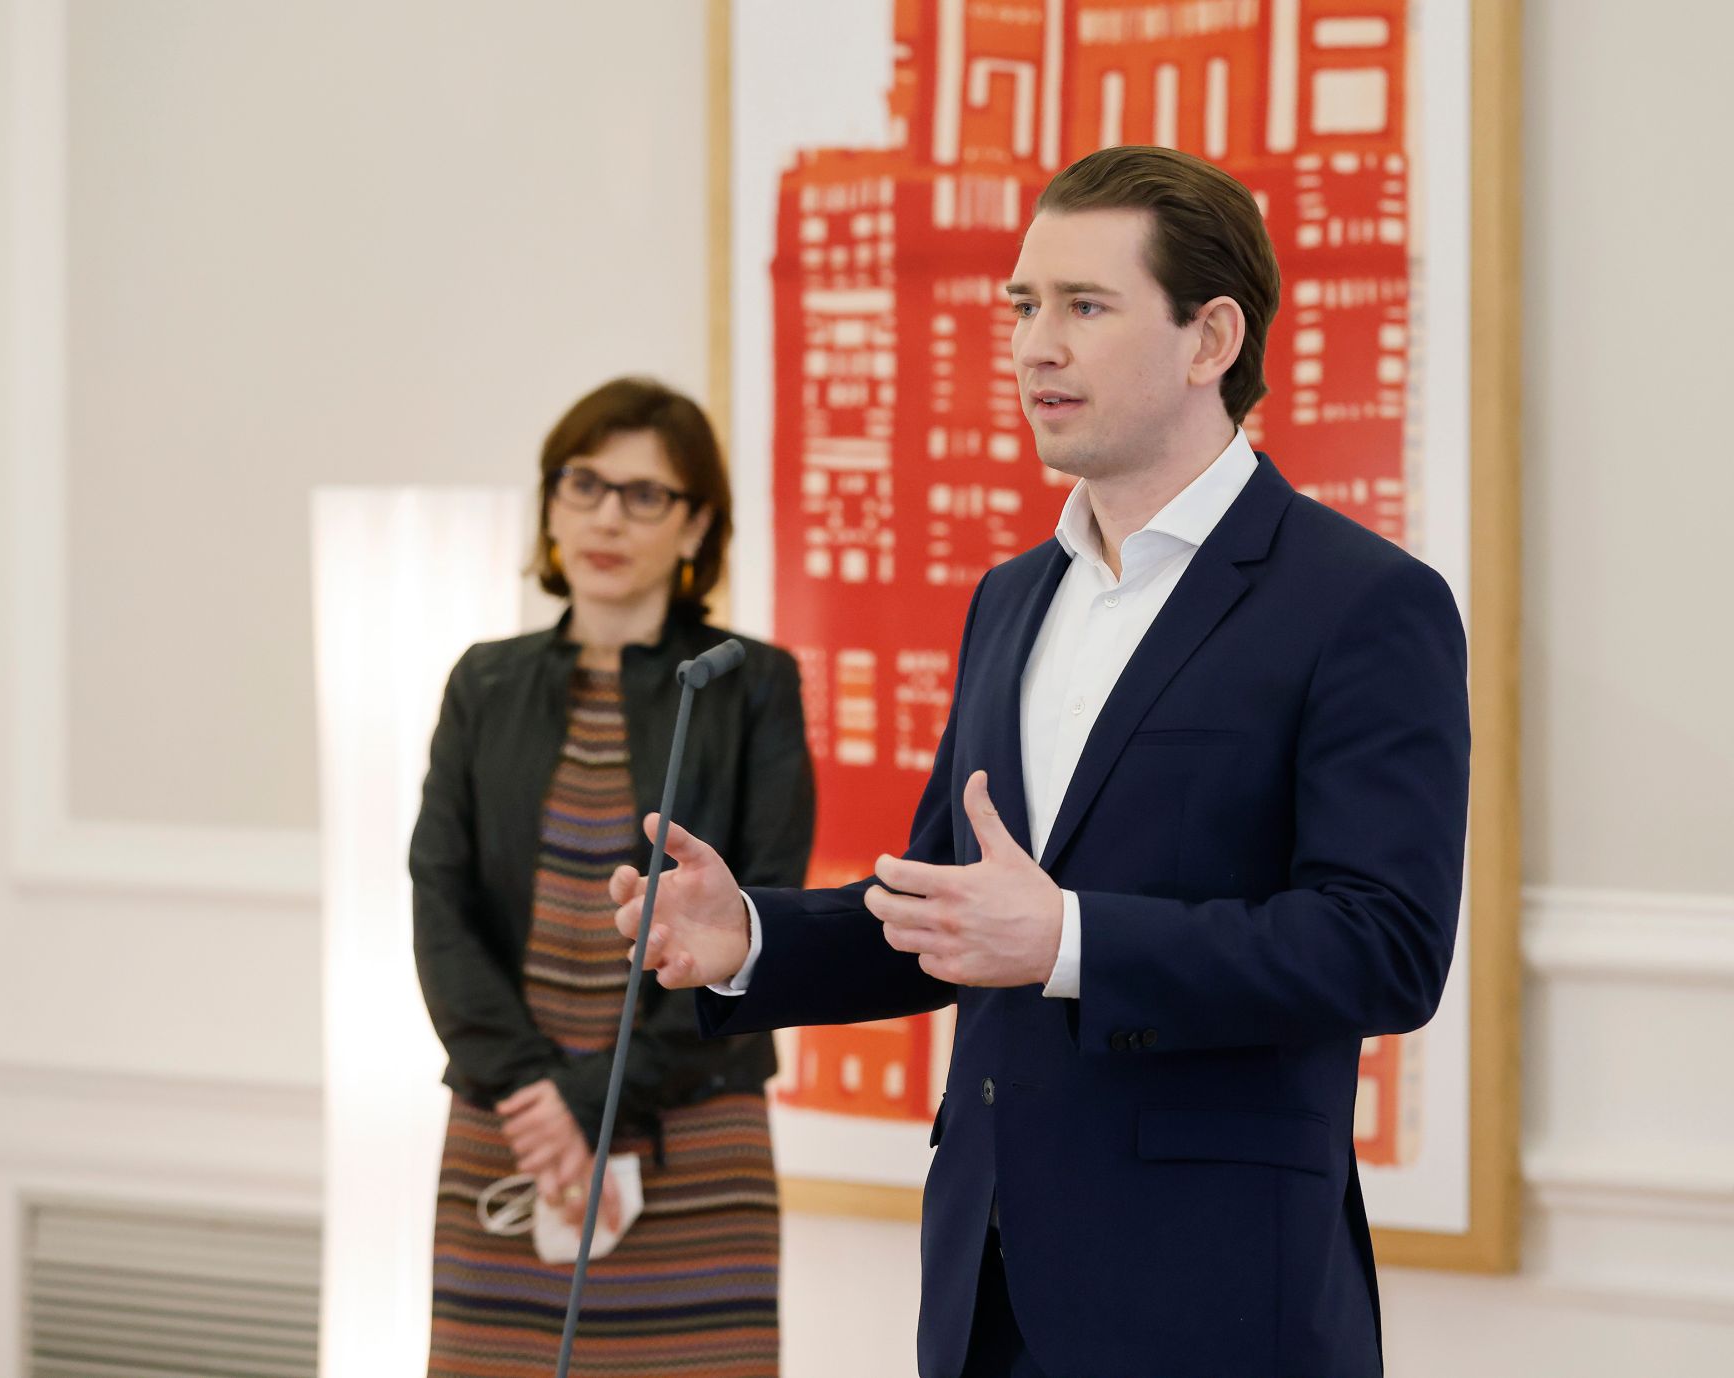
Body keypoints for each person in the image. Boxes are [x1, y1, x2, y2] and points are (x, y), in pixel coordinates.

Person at [611, 147, 1470, 1378]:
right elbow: (944, 912)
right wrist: (746, 936)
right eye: (1022, 305)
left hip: (1219, 1306)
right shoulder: (1009, 599)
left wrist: (1070, 940)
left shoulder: (1362, 603)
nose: (1033, 346)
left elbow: (1381, 946)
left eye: (1083, 305)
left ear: (1208, 337)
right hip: (985, 1296)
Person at [410, 376, 814, 1378]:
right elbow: (439, 902)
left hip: (688, 1130)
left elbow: (762, 923)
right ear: (550, 504)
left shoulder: (751, 685)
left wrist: (595, 1097)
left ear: (696, 527)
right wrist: (537, 1099)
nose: (605, 515)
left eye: (644, 494)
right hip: (513, 1128)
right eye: (584, 483)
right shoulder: (483, 681)